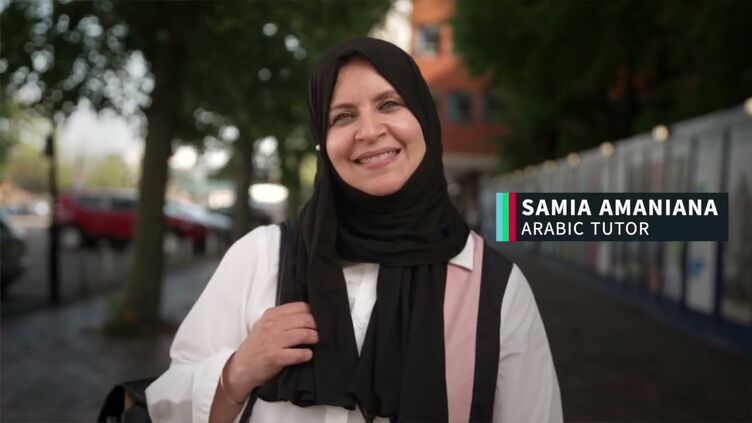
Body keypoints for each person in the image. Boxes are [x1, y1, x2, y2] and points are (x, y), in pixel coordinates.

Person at [146, 37, 562, 423]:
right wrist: (237, 370)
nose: (369, 131)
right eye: (343, 116)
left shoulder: (494, 287)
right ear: (322, 141)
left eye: (389, 104)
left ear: (423, 118)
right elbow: (165, 405)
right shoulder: (262, 257)